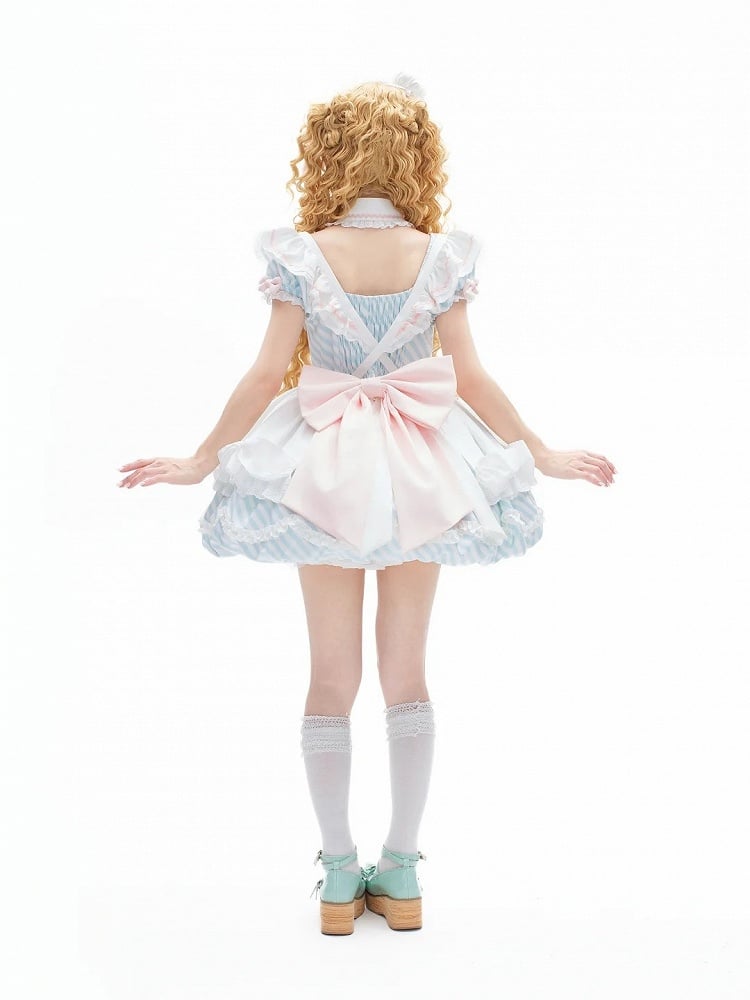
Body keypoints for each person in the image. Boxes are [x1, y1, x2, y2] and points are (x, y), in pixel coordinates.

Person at [117, 74, 617, 936]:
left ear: (331, 152)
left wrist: (202, 460)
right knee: (407, 676)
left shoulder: (305, 253)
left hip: (326, 468)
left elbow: (265, 376)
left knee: (329, 677)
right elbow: (470, 378)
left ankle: (340, 874)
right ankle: (405, 867)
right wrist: (538, 452)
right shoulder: (441, 254)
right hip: (424, 466)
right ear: (417, 155)